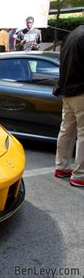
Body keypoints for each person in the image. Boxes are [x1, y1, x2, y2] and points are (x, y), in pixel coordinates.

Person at [52, 25, 84, 187]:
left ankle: (62, 167)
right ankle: (80, 175)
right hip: (80, 91)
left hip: (66, 90)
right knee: (82, 134)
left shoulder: (73, 34)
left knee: (66, 130)